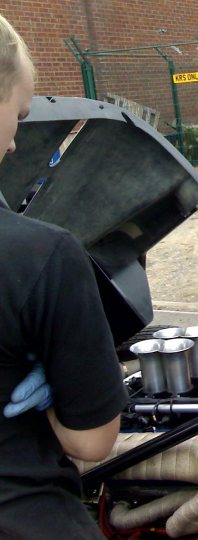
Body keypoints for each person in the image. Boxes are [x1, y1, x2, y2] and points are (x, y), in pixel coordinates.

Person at [0, 15, 127, 538]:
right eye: (20, 113)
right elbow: (92, 443)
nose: (12, 143)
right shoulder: (41, 254)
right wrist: (56, 405)